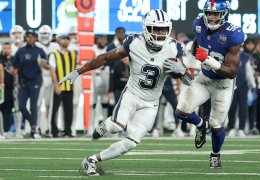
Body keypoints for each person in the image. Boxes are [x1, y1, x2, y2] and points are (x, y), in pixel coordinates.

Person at [59, 9, 193, 176]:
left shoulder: (173, 47)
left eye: (163, 29)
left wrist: (183, 71)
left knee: (131, 142)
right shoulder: (134, 42)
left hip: (151, 103)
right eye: (156, 29)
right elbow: (106, 57)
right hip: (132, 93)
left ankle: (91, 160)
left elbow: (188, 79)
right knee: (116, 127)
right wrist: (79, 71)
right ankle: (105, 125)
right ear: (146, 29)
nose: (160, 33)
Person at [174, 0, 244, 169]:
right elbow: (197, 43)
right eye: (209, 13)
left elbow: (231, 72)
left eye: (216, 14)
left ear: (224, 14)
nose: (212, 18)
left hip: (223, 84)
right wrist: (189, 65)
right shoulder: (198, 24)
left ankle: (215, 155)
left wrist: (207, 60)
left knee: (216, 125)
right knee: (181, 112)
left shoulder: (233, 34)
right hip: (204, 79)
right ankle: (199, 124)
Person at [12, 29, 49, 139]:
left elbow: (46, 65)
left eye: (32, 36)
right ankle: (34, 125)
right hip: (23, 82)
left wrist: (42, 64)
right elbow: (15, 67)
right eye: (28, 36)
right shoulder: (20, 51)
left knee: (34, 106)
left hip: (36, 81)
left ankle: (33, 130)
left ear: (36, 38)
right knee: (22, 106)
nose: (30, 38)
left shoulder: (40, 50)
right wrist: (16, 80)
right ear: (26, 37)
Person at [49, 34, 77, 138]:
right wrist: (56, 85)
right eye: (63, 39)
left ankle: (67, 131)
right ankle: (54, 131)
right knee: (55, 110)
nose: (65, 41)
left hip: (69, 87)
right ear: (59, 41)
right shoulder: (54, 54)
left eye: (67, 39)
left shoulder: (73, 54)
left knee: (69, 111)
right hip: (59, 87)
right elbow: (52, 70)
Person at [36, 25, 59, 136]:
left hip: (52, 77)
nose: (45, 36)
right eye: (43, 34)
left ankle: (49, 128)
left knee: (50, 105)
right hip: (39, 78)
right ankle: (37, 127)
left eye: (47, 34)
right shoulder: (36, 45)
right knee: (38, 104)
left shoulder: (55, 46)